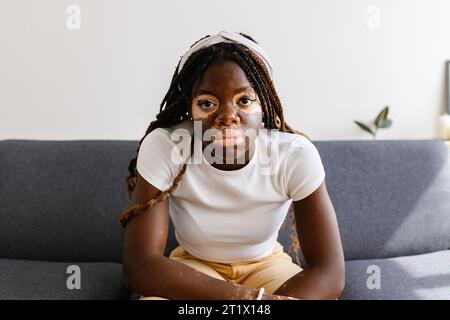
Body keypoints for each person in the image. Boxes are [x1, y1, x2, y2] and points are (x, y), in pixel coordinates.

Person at [119, 31, 345, 300]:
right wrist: (250, 300)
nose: (227, 117)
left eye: (245, 101)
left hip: (267, 265)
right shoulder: (166, 146)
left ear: (264, 105)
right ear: (189, 108)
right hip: (194, 267)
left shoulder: (294, 153)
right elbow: (140, 266)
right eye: (207, 103)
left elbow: (330, 271)